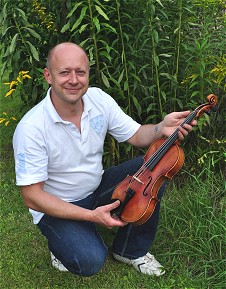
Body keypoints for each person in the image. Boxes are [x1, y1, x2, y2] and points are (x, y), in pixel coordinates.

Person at [13, 42, 196, 277]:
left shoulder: (98, 99)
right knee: (89, 261)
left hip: (97, 187)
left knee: (158, 165)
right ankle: (63, 241)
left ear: (88, 74)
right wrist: (90, 216)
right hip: (56, 206)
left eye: (80, 72)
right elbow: (32, 197)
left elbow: (136, 135)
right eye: (64, 72)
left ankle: (130, 250)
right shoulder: (31, 128)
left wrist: (161, 127)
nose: (73, 79)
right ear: (48, 76)